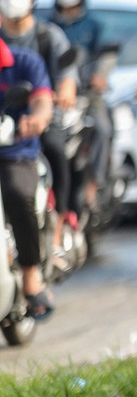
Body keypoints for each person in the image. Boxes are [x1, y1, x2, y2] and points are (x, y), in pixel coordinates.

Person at [0, 0, 79, 264]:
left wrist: (63, 94)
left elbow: (65, 77)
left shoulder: (48, 37)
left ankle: (60, 222)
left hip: (36, 125)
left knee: (57, 149)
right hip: (4, 127)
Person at [46, 0, 113, 216]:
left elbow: (107, 56)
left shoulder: (94, 25)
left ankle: (93, 184)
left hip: (88, 95)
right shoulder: (48, 28)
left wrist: (100, 76)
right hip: (56, 99)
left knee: (102, 129)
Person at [0, 25, 57, 319]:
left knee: (16, 192)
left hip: (14, 154)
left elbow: (42, 99)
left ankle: (32, 276)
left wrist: (37, 118)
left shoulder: (25, 61)